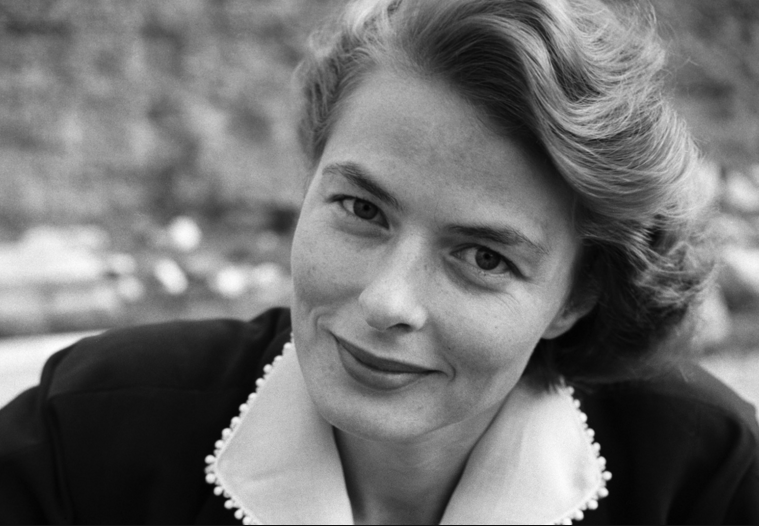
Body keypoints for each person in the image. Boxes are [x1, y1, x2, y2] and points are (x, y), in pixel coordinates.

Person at [1, 0, 757, 523]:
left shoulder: (710, 484)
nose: (386, 301)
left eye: (483, 257)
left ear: (575, 297)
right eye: (362, 210)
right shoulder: (84, 437)